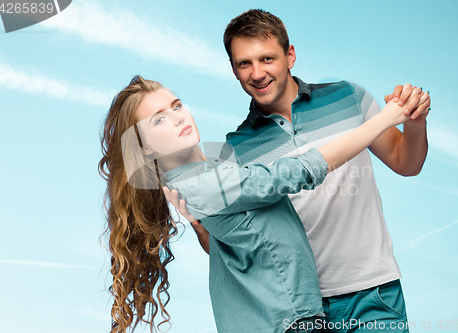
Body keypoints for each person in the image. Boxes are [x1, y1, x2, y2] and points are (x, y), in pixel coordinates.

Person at [169, 9, 431, 333]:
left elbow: (407, 163)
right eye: (244, 63)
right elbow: (238, 247)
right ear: (233, 70)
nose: (257, 73)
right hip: (299, 310)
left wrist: (415, 122)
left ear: (289, 55)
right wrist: (202, 231)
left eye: (267, 59)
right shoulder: (234, 151)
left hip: (374, 292)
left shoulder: (349, 97)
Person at [98, 75, 427, 333]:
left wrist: (205, 231)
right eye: (158, 120)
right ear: (145, 150)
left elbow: (247, 248)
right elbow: (299, 171)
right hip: (292, 322)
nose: (177, 117)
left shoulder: (205, 175)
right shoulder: (205, 184)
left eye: (177, 105)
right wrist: (384, 120)